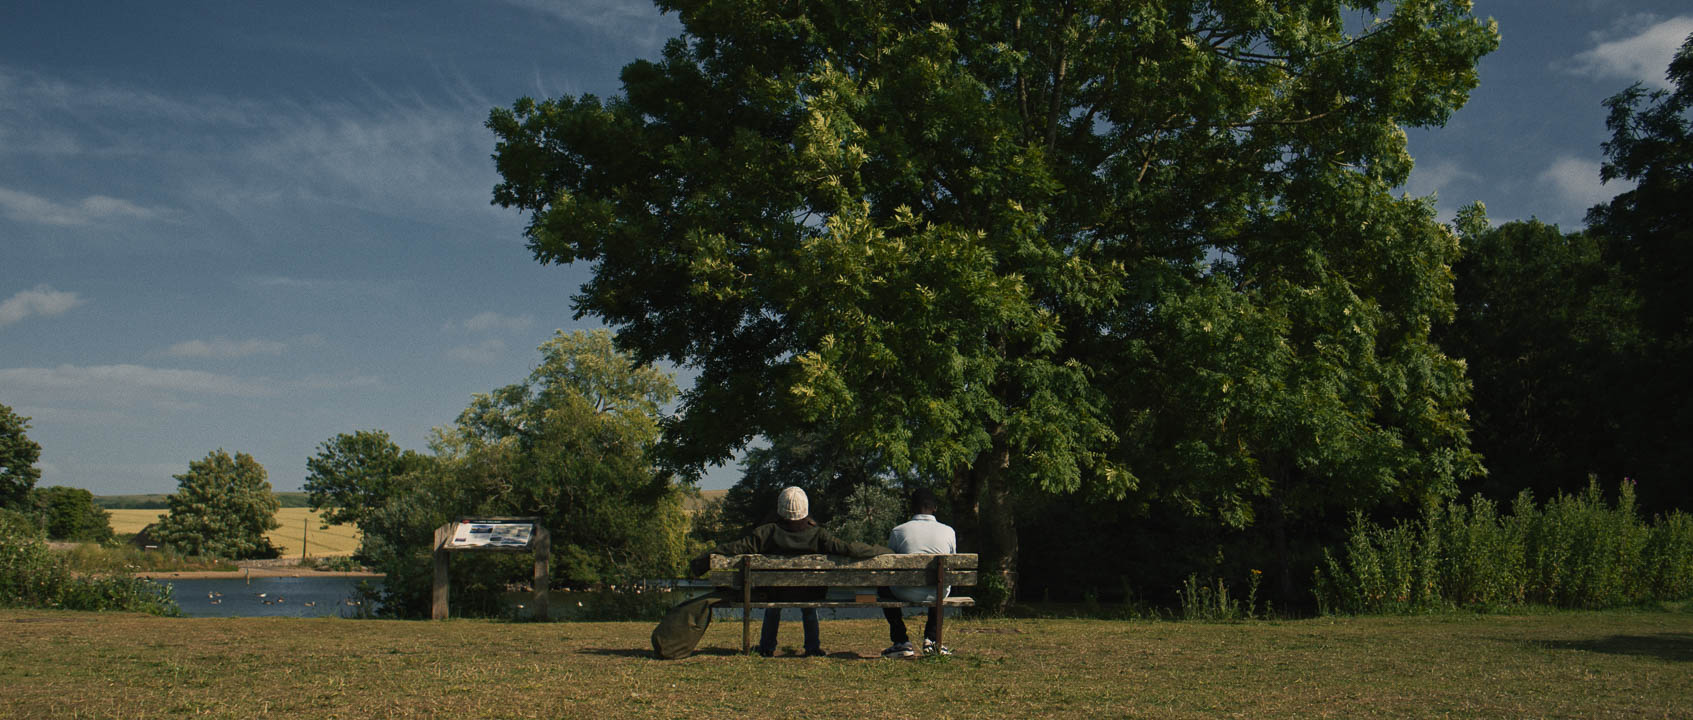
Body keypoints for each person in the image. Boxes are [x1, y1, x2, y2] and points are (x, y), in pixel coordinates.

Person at [698, 486, 888, 657]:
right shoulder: (818, 534)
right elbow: (848, 549)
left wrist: (703, 561)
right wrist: (881, 550)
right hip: (810, 592)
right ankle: (812, 647)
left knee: (773, 607)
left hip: (775, 592)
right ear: (805, 507)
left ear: (780, 508)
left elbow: (737, 547)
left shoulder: (767, 532)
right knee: (809, 606)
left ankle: (766, 647)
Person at [879, 488, 957, 658]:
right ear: (935, 508)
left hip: (905, 591)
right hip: (938, 592)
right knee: (940, 580)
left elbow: (888, 564)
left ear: (912, 508)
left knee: (883, 585)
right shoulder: (949, 531)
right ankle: (932, 640)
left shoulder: (898, 531)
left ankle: (901, 641)